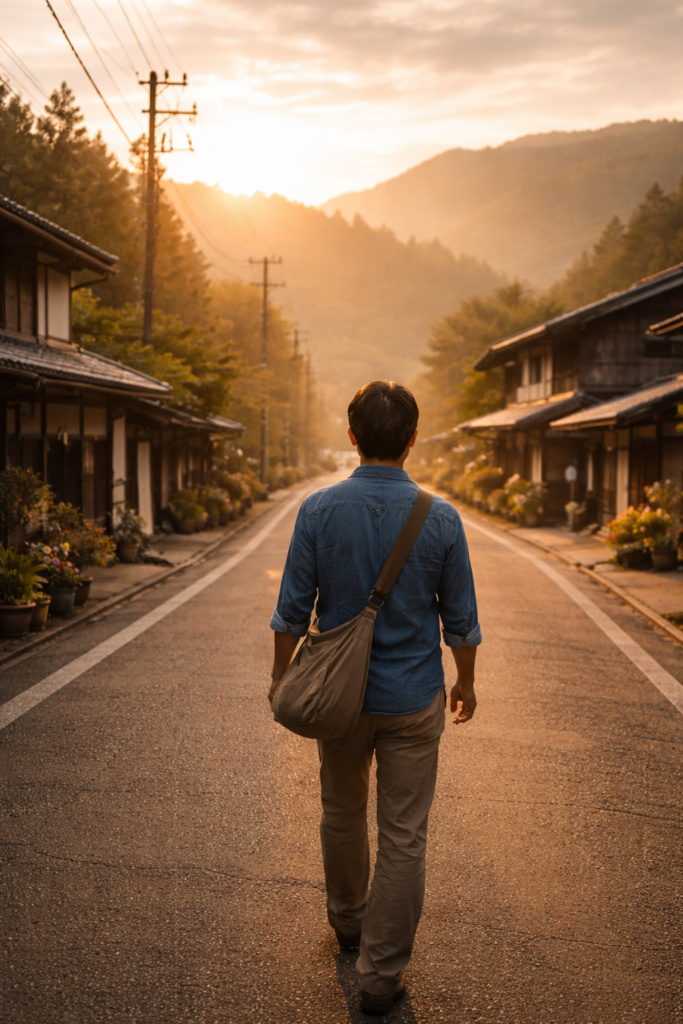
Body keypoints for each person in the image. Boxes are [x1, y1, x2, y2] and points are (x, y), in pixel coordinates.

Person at [268, 380, 481, 1014]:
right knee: (404, 836)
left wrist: (282, 677)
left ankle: (349, 925)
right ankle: (381, 977)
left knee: (341, 811)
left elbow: (289, 613)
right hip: (413, 698)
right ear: (413, 438)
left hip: (337, 699)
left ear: (352, 435)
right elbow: (461, 621)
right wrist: (465, 680)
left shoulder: (317, 510)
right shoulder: (439, 517)